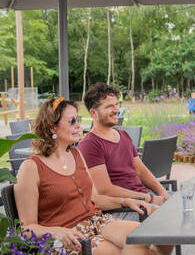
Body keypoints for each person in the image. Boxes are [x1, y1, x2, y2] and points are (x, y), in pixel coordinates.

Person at [15, 97, 172, 255]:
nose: (79, 126)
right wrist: (56, 232)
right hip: (68, 236)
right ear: (51, 128)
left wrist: (125, 201)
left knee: (138, 237)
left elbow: (94, 199)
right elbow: (26, 229)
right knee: (124, 251)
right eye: (72, 121)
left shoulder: (76, 154)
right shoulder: (31, 167)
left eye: (79, 120)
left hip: (95, 221)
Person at [78, 83, 170, 222]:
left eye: (116, 104)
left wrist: (162, 191)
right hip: (123, 208)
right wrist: (148, 197)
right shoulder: (90, 144)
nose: (116, 110)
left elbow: (141, 171)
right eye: (109, 106)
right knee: (171, 217)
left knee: (188, 203)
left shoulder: (123, 135)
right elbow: (105, 190)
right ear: (93, 113)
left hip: (144, 197)